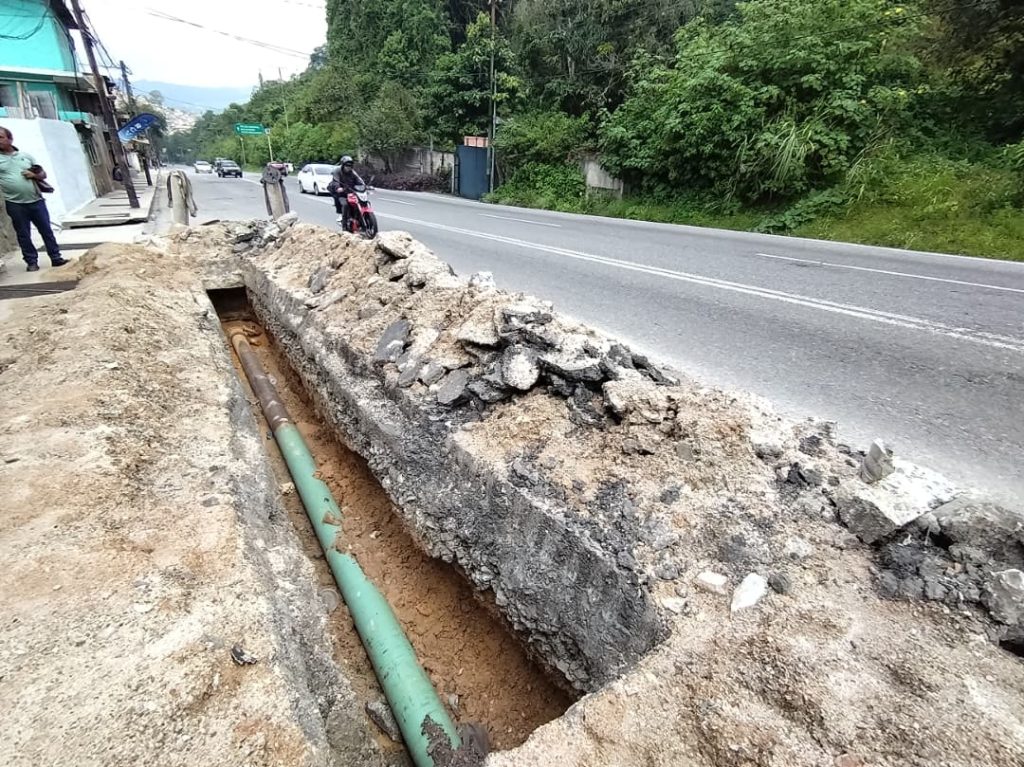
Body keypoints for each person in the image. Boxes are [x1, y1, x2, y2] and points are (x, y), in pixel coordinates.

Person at [0, 126, 69, 272]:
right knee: (23, 234)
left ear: (10, 139)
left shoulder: (25, 156)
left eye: (1, 137)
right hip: (15, 203)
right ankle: (31, 261)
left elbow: (42, 173)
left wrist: (35, 176)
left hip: (36, 201)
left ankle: (56, 258)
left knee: (46, 230)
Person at [330, 155, 365, 230]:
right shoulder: (337, 171)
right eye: (347, 165)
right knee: (345, 205)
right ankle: (344, 227)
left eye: (350, 165)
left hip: (352, 192)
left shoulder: (352, 173)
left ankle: (361, 221)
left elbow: (359, 180)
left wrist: (365, 186)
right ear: (343, 165)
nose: (348, 167)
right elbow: (335, 181)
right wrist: (338, 188)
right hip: (341, 194)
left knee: (361, 202)